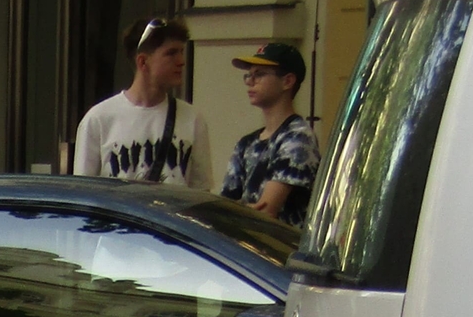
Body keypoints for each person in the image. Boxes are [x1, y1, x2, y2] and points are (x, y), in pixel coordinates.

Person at [72, 17, 210, 189]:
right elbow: (84, 192)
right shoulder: (99, 119)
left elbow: (202, 193)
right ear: (143, 62)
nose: (181, 61)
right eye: (171, 53)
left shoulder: (193, 119)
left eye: (181, 52)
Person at [221, 41, 318, 226]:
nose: (250, 81)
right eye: (248, 75)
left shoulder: (298, 138)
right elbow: (225, 205)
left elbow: (265, 211)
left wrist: (232, 213)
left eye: (260, 74)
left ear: (287, 81)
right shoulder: (246, 143)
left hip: (280, 250)